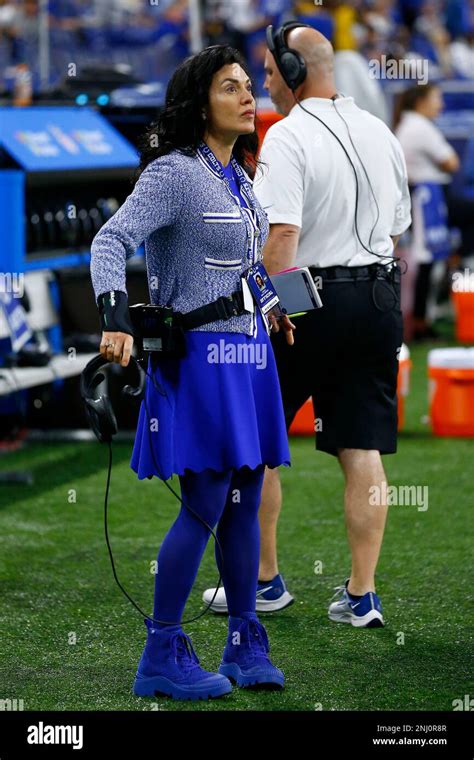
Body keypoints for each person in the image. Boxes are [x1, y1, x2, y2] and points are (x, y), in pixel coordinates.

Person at [89, 45, 294, 701]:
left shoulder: (241, 177)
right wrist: (116, 317)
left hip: (250, 357)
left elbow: (244, 267)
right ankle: (161, 650)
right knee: (206, 503)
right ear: (200, 101)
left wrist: (275, 306)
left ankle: (242, 636)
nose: (245, 96)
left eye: (246, 86)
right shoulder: (174, 173)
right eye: (229, 87)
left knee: (245, 497)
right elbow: (109, 241)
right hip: (201, 359)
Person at [204, 22, 412, 627]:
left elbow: (282, 242)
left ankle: (263, 581)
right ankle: (362, 593)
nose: (261, 84)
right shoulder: (380, 130)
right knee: (363, 448)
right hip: (377, 297)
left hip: (307, 300)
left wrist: (269, 307)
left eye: (268, 72)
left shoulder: (289, 135)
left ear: (294, 72)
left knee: (258, 446)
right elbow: (395, 227)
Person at [395, 83, 460, 340]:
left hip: (423, 196)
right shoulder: (420, 127)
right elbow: (451, 162)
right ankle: (421, 322)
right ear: (420, 100)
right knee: (426, 258)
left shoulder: (410, 125)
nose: (440, 104)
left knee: (428, 258)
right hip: (425, 198)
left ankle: (423, 319)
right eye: (436, 98)